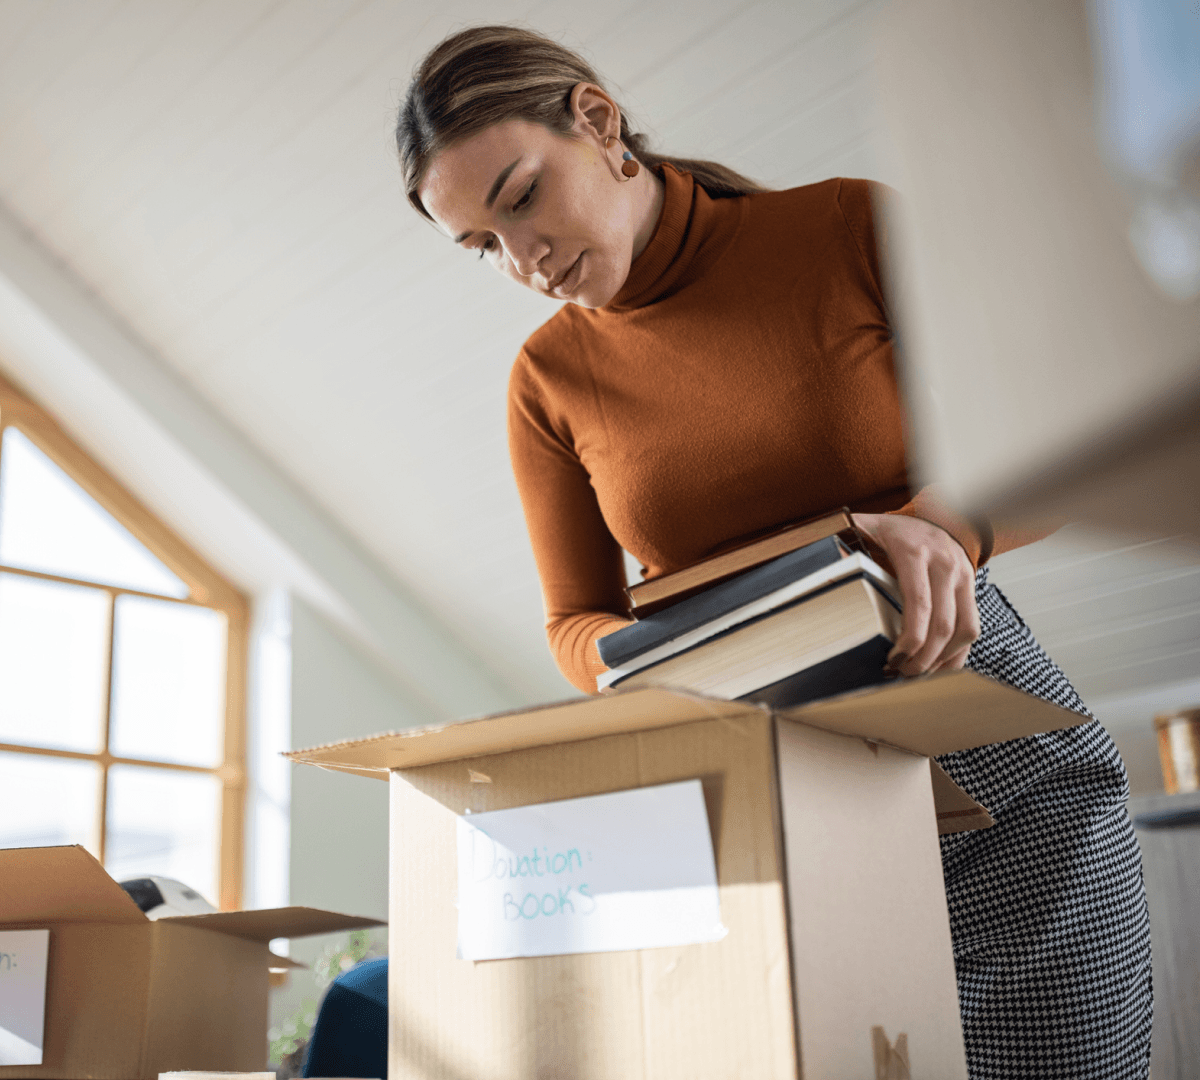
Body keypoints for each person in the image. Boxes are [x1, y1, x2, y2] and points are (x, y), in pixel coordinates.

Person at [397, 25, 1152, 1078]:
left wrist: (946, 531)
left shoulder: (845, 224)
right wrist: (670, 660)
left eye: (521, 198)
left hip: (1003, 781)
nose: (523, 262)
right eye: (483, 245)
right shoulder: (547, 382)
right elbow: (575, 622)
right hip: (770, 816)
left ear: (599, 121)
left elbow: (1059, 437)